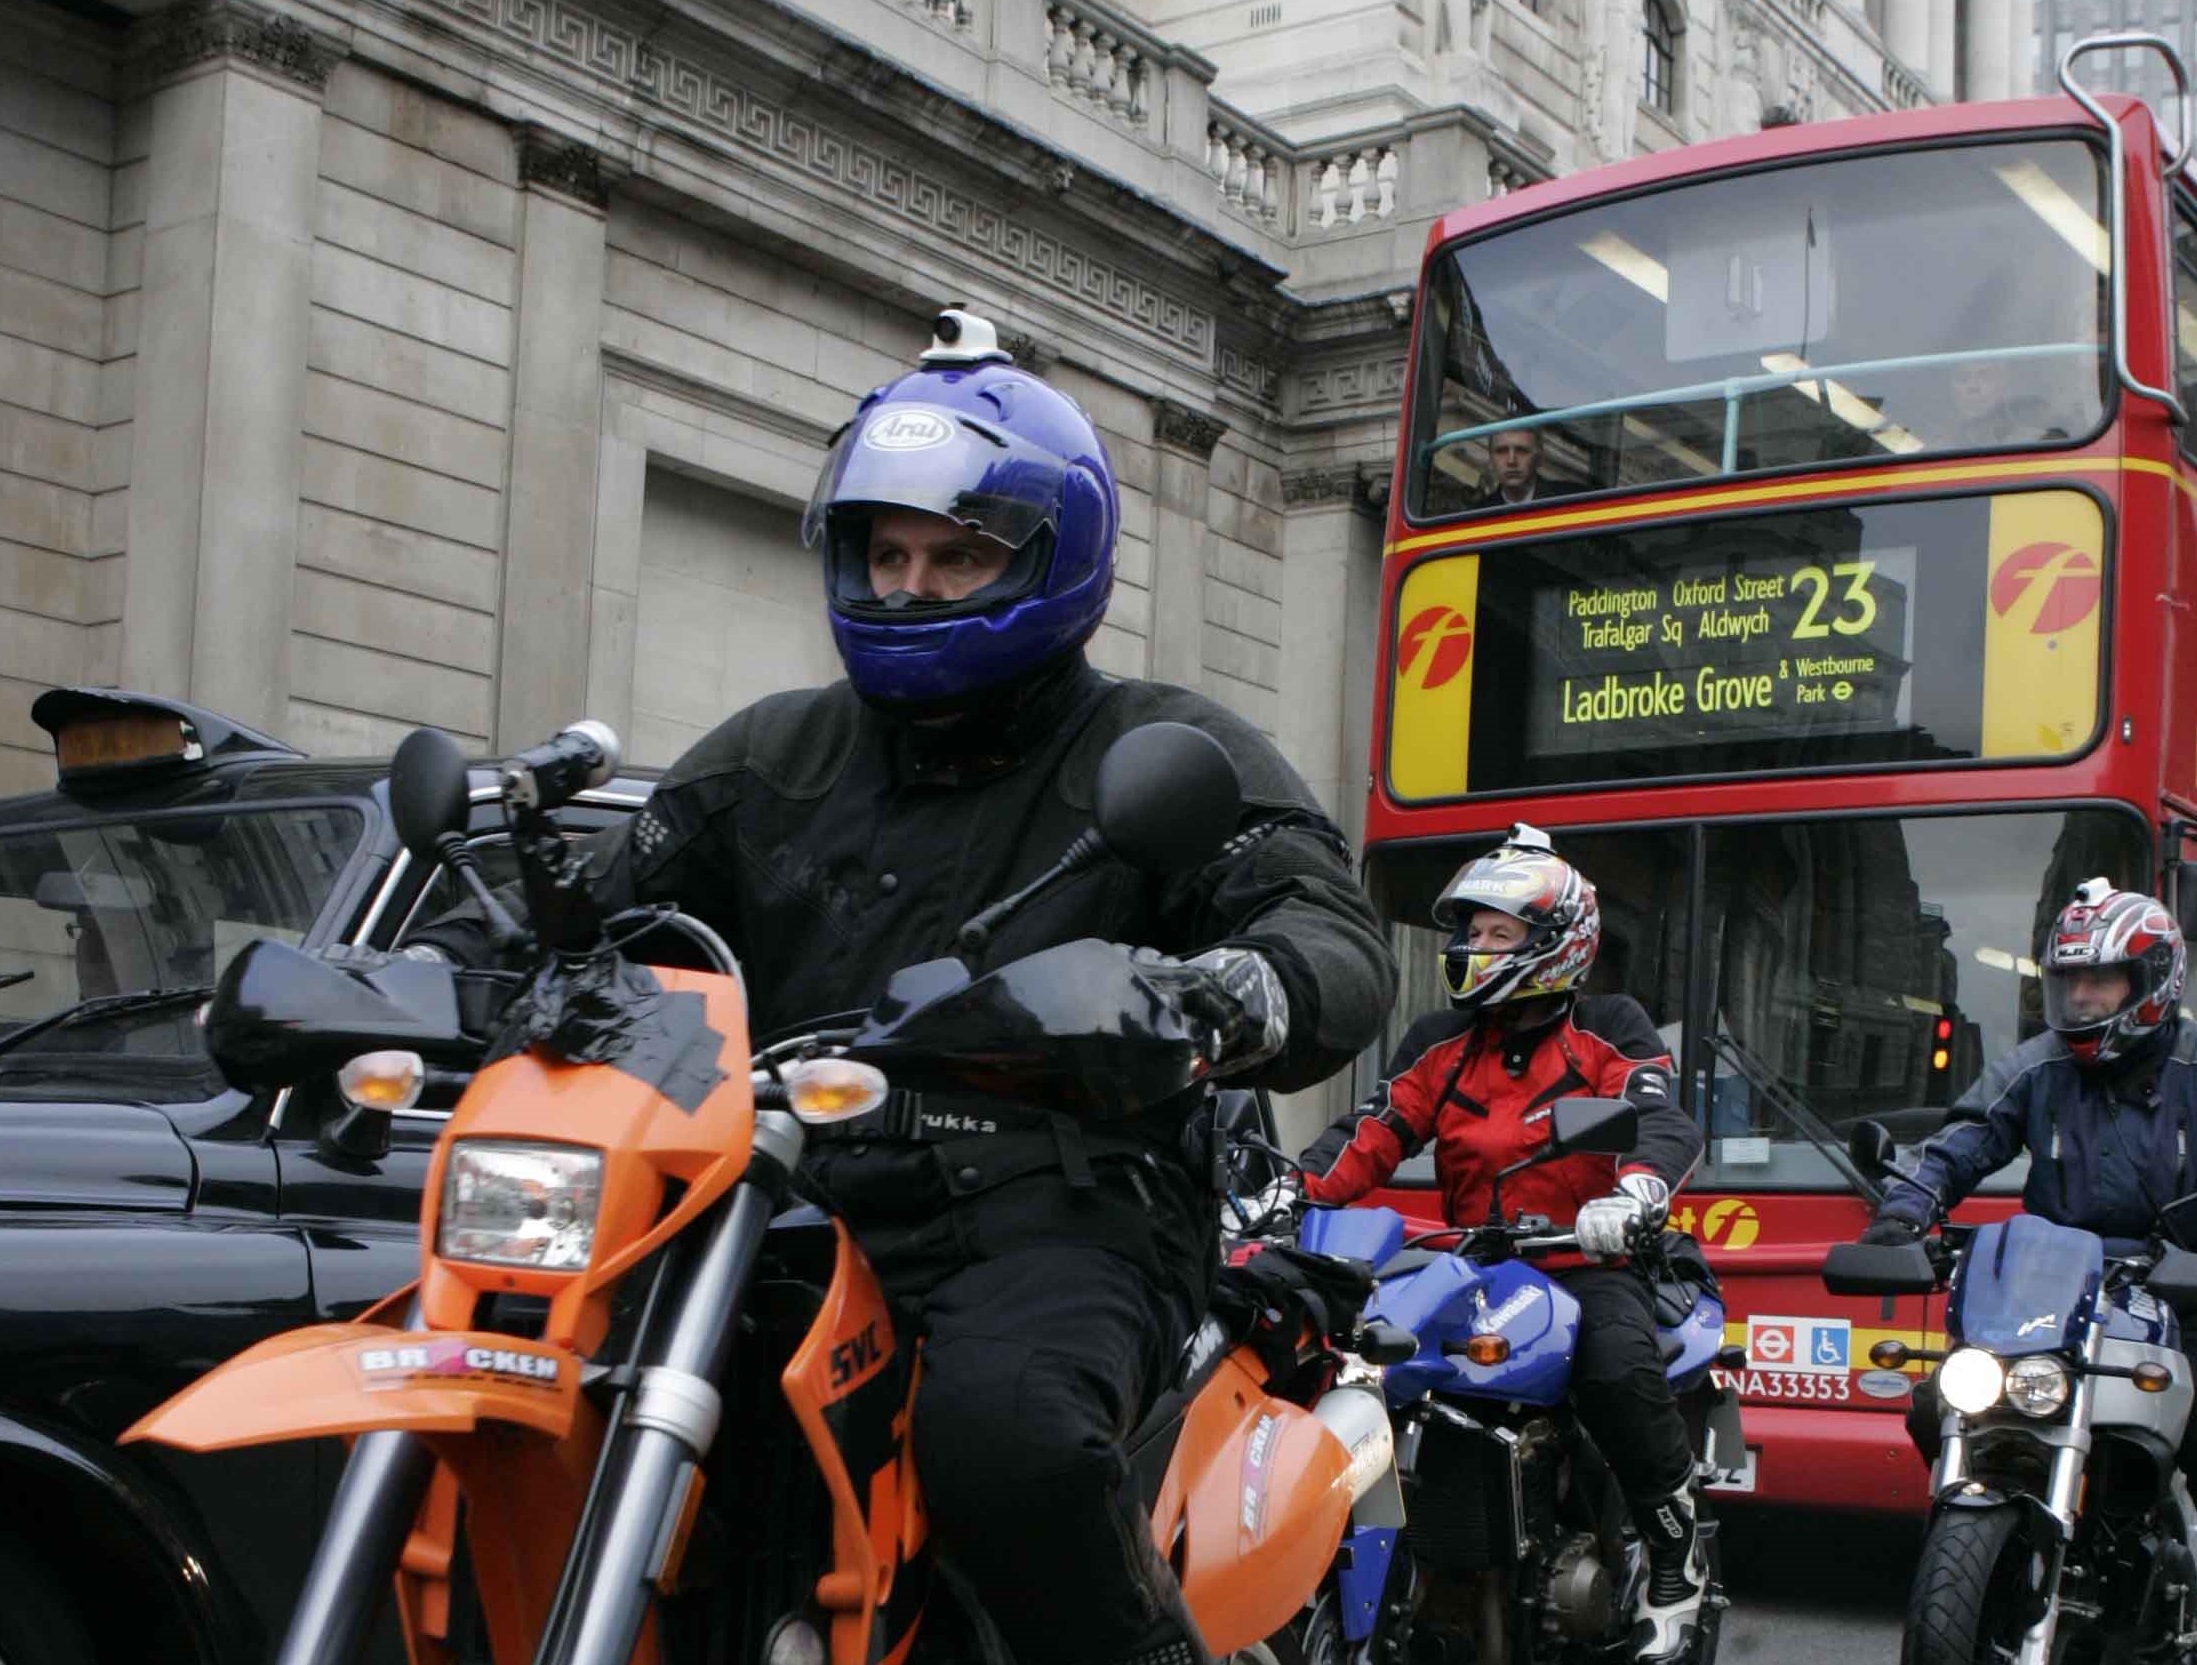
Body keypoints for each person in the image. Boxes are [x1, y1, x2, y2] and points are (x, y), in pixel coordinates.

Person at [409, 308, 1399, 1665]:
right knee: (510, 1375)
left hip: (1050, 1214)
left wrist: (1221, 996)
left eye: (955, 554)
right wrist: (416, 976)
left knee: (1008, 1436)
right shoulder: (775, 750)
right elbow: (589, 908)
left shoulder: (1158, 745)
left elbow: (1326, 932)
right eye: (889, 552)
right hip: (769, 1196)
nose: (915, 583)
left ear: (1055, 557)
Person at [1294, 825, 1710, 1663]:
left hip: (1583, 1257)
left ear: (1556, 941)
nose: (1471, 948)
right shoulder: (1440, 1042)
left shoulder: (1608, 1026)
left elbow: (1658, 1114)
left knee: (1616, 1367)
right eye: (1467, 932)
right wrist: (1283, 1189)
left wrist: (1633, 1191)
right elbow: (1375, 1131)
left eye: (1495, 933)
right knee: (1348, 1357)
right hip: (1470, 1265)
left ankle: (1675, 1553)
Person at [1857, 880, 2195, 1456]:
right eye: (2070, 984)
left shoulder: (2189, 1067)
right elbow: (1965, 1140)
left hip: (2180, 1284)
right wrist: (1905, 1212)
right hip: (2056, 1284)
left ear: (2151, 981)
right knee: (1941, 1405)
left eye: (2100, 981)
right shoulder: (2039, 1066)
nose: (2081, 998)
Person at [1476, 426, 1550, 507]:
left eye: (1521, 450)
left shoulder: (1565, 498)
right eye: (1501, 451)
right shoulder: (1476, 514)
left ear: (1540, 458)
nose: (1511, 461)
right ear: (1491, 458)